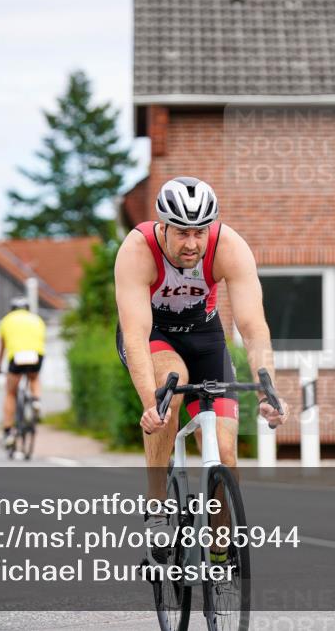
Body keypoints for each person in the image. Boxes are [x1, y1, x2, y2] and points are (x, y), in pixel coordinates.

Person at [114, 176, 288, 560]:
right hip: (154, 337)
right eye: (182, 233)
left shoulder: (229, 247)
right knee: (170, 392)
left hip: (205, 338)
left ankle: (221, 552)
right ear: (163, 226)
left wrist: (268, 389)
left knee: (225, 453)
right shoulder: (138, 249)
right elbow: (135, 333)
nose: (192, 243)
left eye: (200, 232)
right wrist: (150, 405)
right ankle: (157, 505)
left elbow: (253, 327)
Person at [0, 296, 46, 448]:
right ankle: (36, 400)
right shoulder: (37, 319)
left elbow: (1, 349)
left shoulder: (6, 321)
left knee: (10, 393)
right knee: (34, 378)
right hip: (36, 354)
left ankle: (8, 430)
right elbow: (41, 341)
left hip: (16, 356)